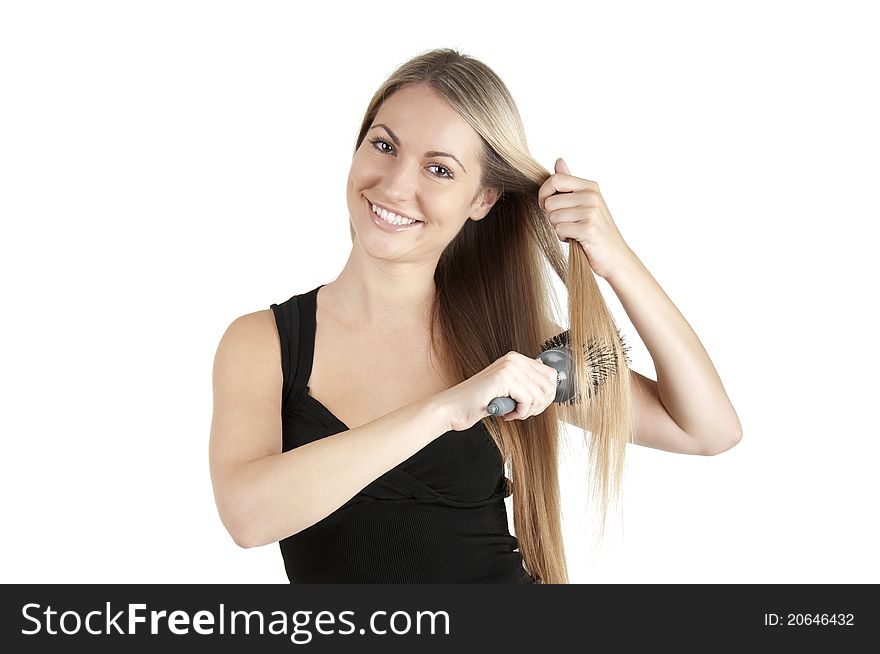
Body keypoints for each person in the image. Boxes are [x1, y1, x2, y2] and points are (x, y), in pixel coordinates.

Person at [208, 48, 743, 584]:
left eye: (440, 169)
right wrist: (446, 409)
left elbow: (706, 429)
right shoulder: (265, 343)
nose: (394, 186)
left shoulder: (503, 345)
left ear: (483, 199)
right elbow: (249, 517)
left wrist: (618, 259)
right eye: (384, 145)